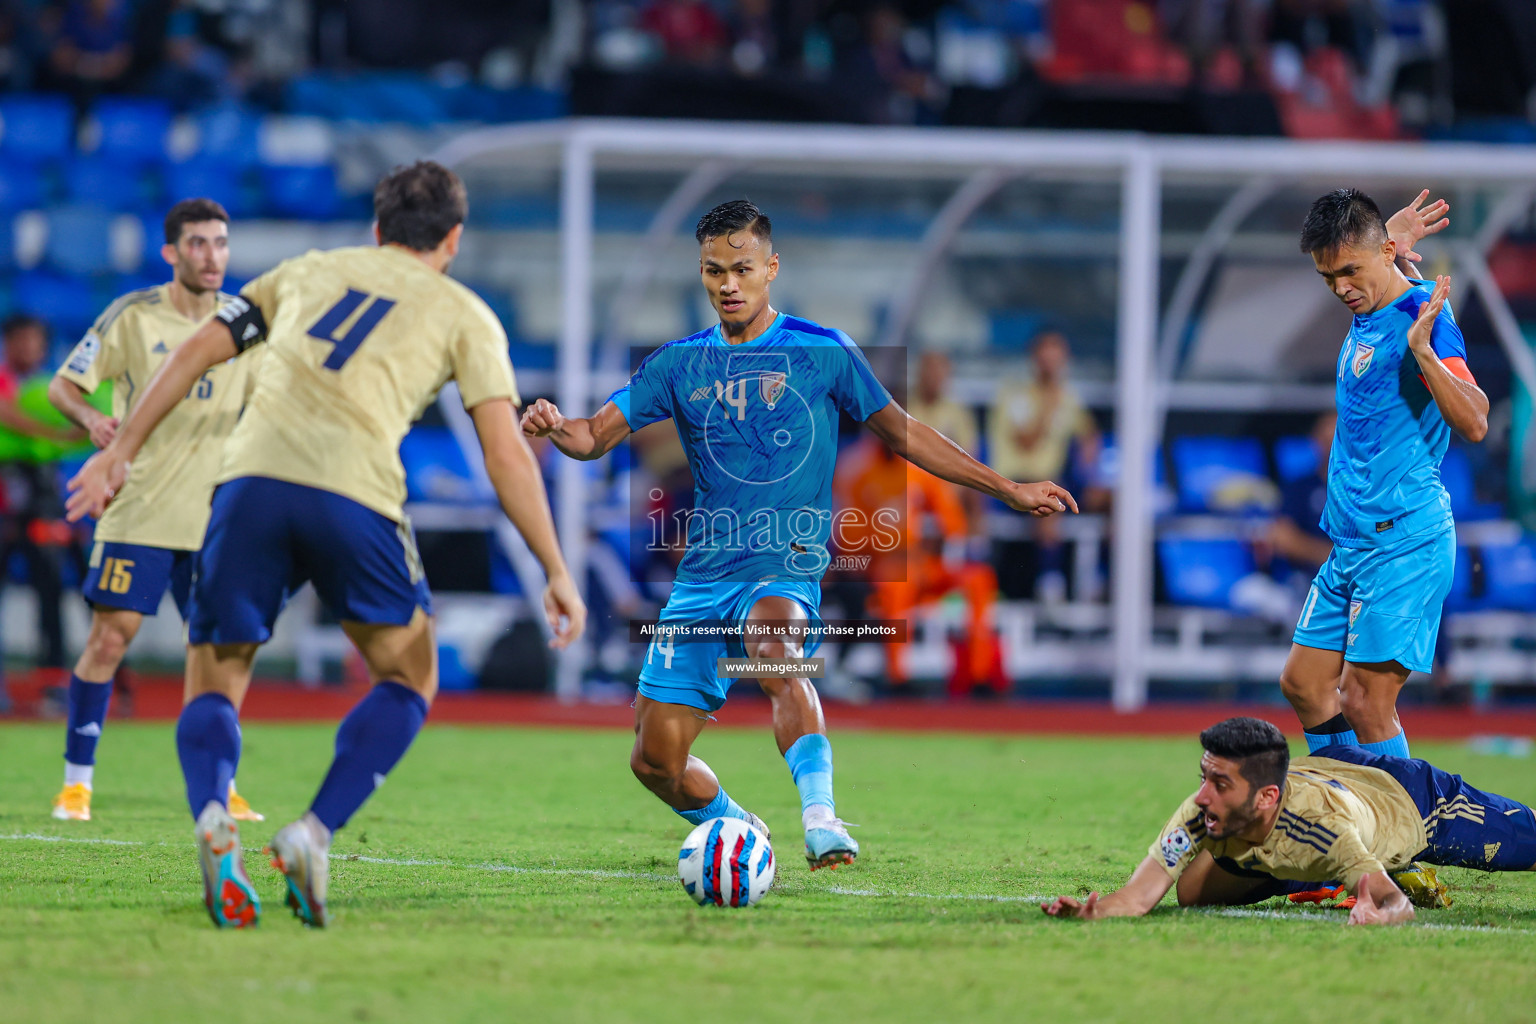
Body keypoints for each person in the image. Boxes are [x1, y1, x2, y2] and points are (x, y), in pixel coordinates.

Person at [67, 161, 586, 929]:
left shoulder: (306, 272)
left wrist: (119, 450)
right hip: (356, 496)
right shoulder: (466, 313)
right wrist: (554, 565)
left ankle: (214, 816)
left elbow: (194, 353)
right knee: (410, 675)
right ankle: (312, 831)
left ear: (376, 229)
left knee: (214, 678)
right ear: (453, 239)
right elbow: (505, 452)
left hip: (247, 488)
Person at [520, 199, 1075, 870]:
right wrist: (555, 424)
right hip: (702, 580)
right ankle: (738, 827)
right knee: (654, 760)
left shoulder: (822, 351)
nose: (728, 284)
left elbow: (905, 433)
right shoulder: (676, 365)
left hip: (784, 563)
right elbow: (591, 437)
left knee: (777, 649)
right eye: (713, 270)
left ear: (771, 269)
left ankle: (821, 818)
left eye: (742, 269)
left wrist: (1009, 489)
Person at [46, 198, 265, 824]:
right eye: (197, 244)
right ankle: (76, 784)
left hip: (213, 520)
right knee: (110, 639)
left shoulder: (241, 326)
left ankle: (222, 785)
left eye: (220, 243)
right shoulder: (134, 318)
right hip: (138, 509)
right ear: (171, 252)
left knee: (218, 656)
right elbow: (67, 383)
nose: (211, 255)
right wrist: (91, 418)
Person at [1279, 189, 1486, 763]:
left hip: (1404, 542)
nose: (1341, 287)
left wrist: (1422, 352)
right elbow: (1371, 258)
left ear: (1383, 253)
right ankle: (1354, 819)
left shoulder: (1426, 318)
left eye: (1349, 272)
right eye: (1328, 277)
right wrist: (1386, 248)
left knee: (1366, 702)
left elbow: (1475, 420)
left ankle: (1408, 846)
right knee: (1304, 684)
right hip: (1351, 543)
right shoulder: (1371, 297)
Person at [1041, 716, 1536, 926]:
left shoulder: (1322, 832)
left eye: (1220, 784)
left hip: (1410, 801)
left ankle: (1385, 866)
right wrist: (1096, 911)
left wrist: (1378, 913)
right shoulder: (1201, 812)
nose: (1200, 797)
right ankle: (1322, 879)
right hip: (1330, 774)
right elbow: (1138, 895)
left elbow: (1395, 905)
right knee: (1191, 894)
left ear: (1265, 797)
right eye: (1204, 777)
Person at [987, 330, 1098, 602]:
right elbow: (1027, 441)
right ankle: (1051, 582)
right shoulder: (1016, 395)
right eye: (1045, 352)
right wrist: (1049, 406)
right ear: (1034, 357)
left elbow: (1088, 433)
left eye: (1057, 353)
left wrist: (1088, 449)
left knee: (1110, 499)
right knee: (1050, 497)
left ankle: (1108, 581)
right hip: (1014, 480)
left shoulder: (1069, 398)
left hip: (1057, 480)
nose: (1051, 360)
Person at [0, 313, 80, 681]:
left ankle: (53, 680)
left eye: (35, 341)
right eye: (21, 340)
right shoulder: (7, 383)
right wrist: (53, 433)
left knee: (50, 587)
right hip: (5, 498)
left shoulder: (53, 387)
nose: (28, 347)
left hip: (43, 498)